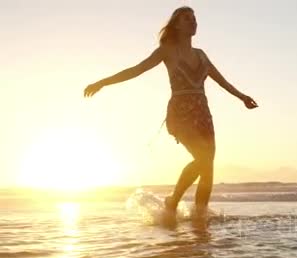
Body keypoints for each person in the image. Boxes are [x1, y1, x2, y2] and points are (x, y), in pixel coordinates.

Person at [84, 6, 258, 218]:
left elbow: (221, 80)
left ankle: (198, 216)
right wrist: (103, 82)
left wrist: (242, 97)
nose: (193, 22)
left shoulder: (201, 54)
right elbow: (137, 70)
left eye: (194, 19)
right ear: (176, 24)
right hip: (181, 114)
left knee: (207, 165)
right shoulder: (166, 50)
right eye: (187, 19)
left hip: (203, 114)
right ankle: (175, 201)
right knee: (202, 160)